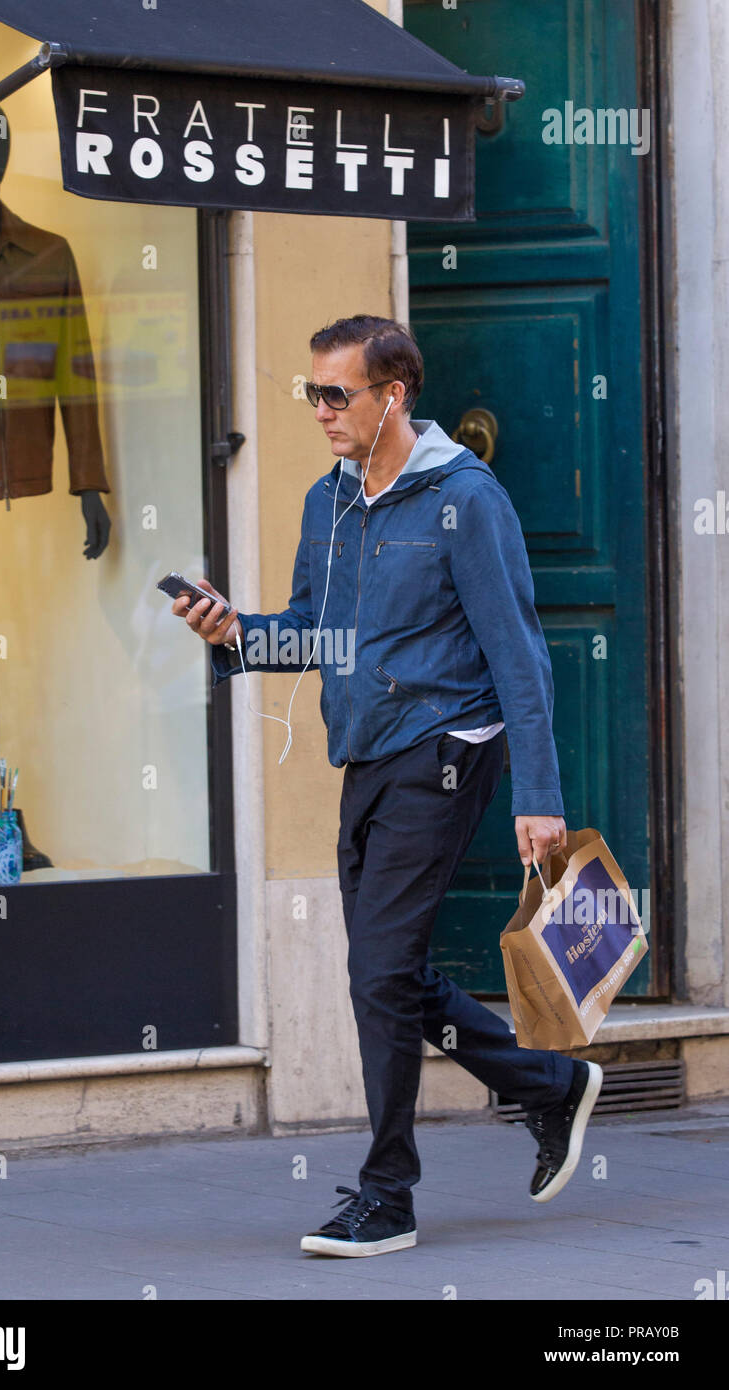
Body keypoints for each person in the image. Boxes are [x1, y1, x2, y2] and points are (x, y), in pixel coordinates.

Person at [171, 314, 602, 1258]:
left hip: (446, 749)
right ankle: (545, 1085)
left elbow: (518, 655)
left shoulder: (464, 498)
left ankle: (387, 1194)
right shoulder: (328, 500)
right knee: (390, 972)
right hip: (364, 752)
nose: (320, 411)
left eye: (337, 394)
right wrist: (234, 634)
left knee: (375, 974)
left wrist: (540, 796)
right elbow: (317, 633)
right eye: (311, 393)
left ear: (392, 395)